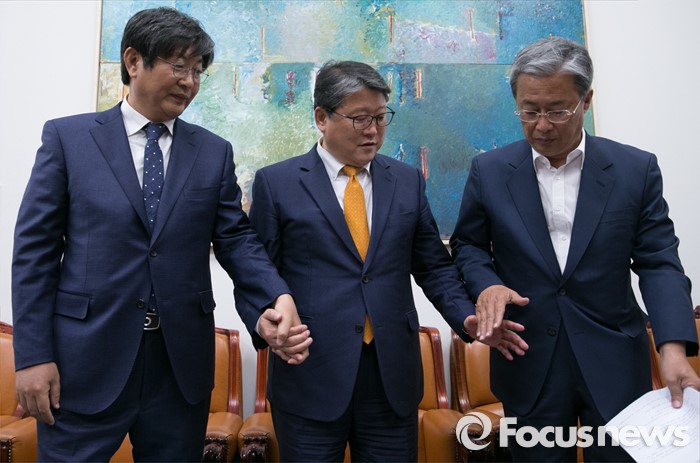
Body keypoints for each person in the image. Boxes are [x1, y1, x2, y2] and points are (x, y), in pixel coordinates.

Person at [11, 7, 309, 462]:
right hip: (85, 362)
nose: (189, 82)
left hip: (178, 366)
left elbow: (236, 239)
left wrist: (276, 294)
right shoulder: (69, 139)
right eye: (179, 66)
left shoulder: (212, 152)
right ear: (134, 61)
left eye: (197, 71)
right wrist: (33, 357)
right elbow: (35, 254)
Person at [234, 60, 528, 462]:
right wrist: (262, 319)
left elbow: (433, 266)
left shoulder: (406, 180)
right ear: (321, 118)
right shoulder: (278, 182)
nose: (372, 130)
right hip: (311, 374)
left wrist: (465, 316)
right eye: (359, 118)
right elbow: (255, 270)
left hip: (392, 376)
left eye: (379, 117)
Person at [450, 36, 700, 462]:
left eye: (557, 111)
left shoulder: (634, 169)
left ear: (586, 100)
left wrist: (672, 348)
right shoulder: (489, 171)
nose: (542, 126)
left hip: (614, 359)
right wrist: (487, 285)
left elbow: (659, 262)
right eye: (529, 111)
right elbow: (468, 244)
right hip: (527, 358)